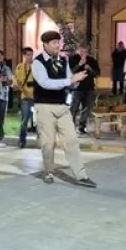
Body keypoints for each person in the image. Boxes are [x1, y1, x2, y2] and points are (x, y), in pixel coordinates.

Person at [31, 31, 95, 187]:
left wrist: (77, 80)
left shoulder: (63, 60)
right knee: (48, 143)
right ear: (45, 44)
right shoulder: (37, 62)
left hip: (62, 107)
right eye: (54, 43)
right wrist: (70, 80)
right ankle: (48, 171)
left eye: (58, 42)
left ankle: (81, 175)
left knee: (72, 140)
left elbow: (69, 81)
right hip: (44, 107)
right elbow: (45, 83)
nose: (57, 46)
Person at [69, 45, 100, 136]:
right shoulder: (73, 59)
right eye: (81, 51)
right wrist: (80, 64)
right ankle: (70, 127)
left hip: (89, 88)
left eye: (85, 52)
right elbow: (70, 72)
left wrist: (90, 69)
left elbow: (97, 73)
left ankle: (81, 127)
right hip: (77, 88)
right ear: (77, 51)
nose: (83, 53)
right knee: (74, 108)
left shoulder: (92, 60)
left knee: (86, 109)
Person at [12, 47, 36, 148]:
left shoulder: (36, 66)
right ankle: (22, 140)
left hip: (37, 97)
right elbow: (17, 82)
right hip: (26, 97)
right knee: (25, 119)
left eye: (31, 54)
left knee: (40, 120)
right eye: (28, 55)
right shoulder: (20, 67)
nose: (30, 57)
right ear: (24, 55)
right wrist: (24, 91)